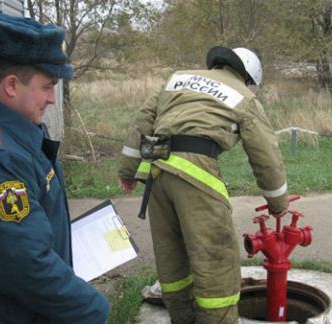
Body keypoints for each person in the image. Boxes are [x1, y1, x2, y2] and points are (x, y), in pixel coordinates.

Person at [0, 14, 109, 323]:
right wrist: (93, 309)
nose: (52, 99)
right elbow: (23, 265)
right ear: (12, 85)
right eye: (47, 87)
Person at [118, 46, 289, 323]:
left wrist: (128, 171)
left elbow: (142, 122)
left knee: (172, 261)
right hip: (197, 175)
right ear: (249, 79)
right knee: (216, 264)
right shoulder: (244, 97)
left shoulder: (177, 78)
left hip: (157, 175)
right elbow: (266, 154)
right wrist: (278, 204)